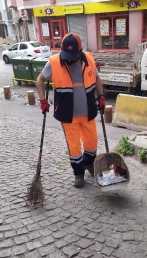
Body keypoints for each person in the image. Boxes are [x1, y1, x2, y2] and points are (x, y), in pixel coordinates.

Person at [36, 33, 106, 188]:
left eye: (72, 55)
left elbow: (97, 78)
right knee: (74, 146)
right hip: (68, 114)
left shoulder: (88, 60)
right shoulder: (54, 63)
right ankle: (78, 173)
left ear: (79, 51)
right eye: (66, 55)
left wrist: (101, 96)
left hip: (87, 111)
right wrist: (42, 99)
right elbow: (40, 80)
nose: (68, 59)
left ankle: (88, 164)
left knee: (92, 142)